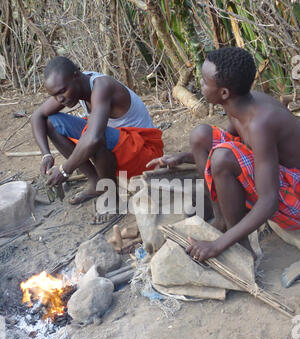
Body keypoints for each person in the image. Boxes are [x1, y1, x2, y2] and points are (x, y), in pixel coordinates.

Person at [147, 47, 300, 261]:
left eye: (204, 81)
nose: (200, 85)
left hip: (294, 195)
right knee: (201, 136)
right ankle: (222, 220)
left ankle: (240, 244)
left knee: (222, 158)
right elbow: (226, 145)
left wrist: (217, 246)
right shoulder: (241, 104)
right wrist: (183, 157)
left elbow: (269, 201)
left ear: (224, 93)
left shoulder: (260, 124)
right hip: (273, 172)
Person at [31, 56, 164, 204]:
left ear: (76, 76)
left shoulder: (102, 87)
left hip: (146, 154)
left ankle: (111, 195)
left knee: (95, 137)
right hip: (120, 145)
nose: (59, 99)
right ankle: (96, 182)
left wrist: (65, 170)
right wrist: (46, 155)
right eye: (54, 95)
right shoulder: (76, 85)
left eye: (62, 91)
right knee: (51, 122)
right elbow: (38, 115)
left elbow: (94, 138)